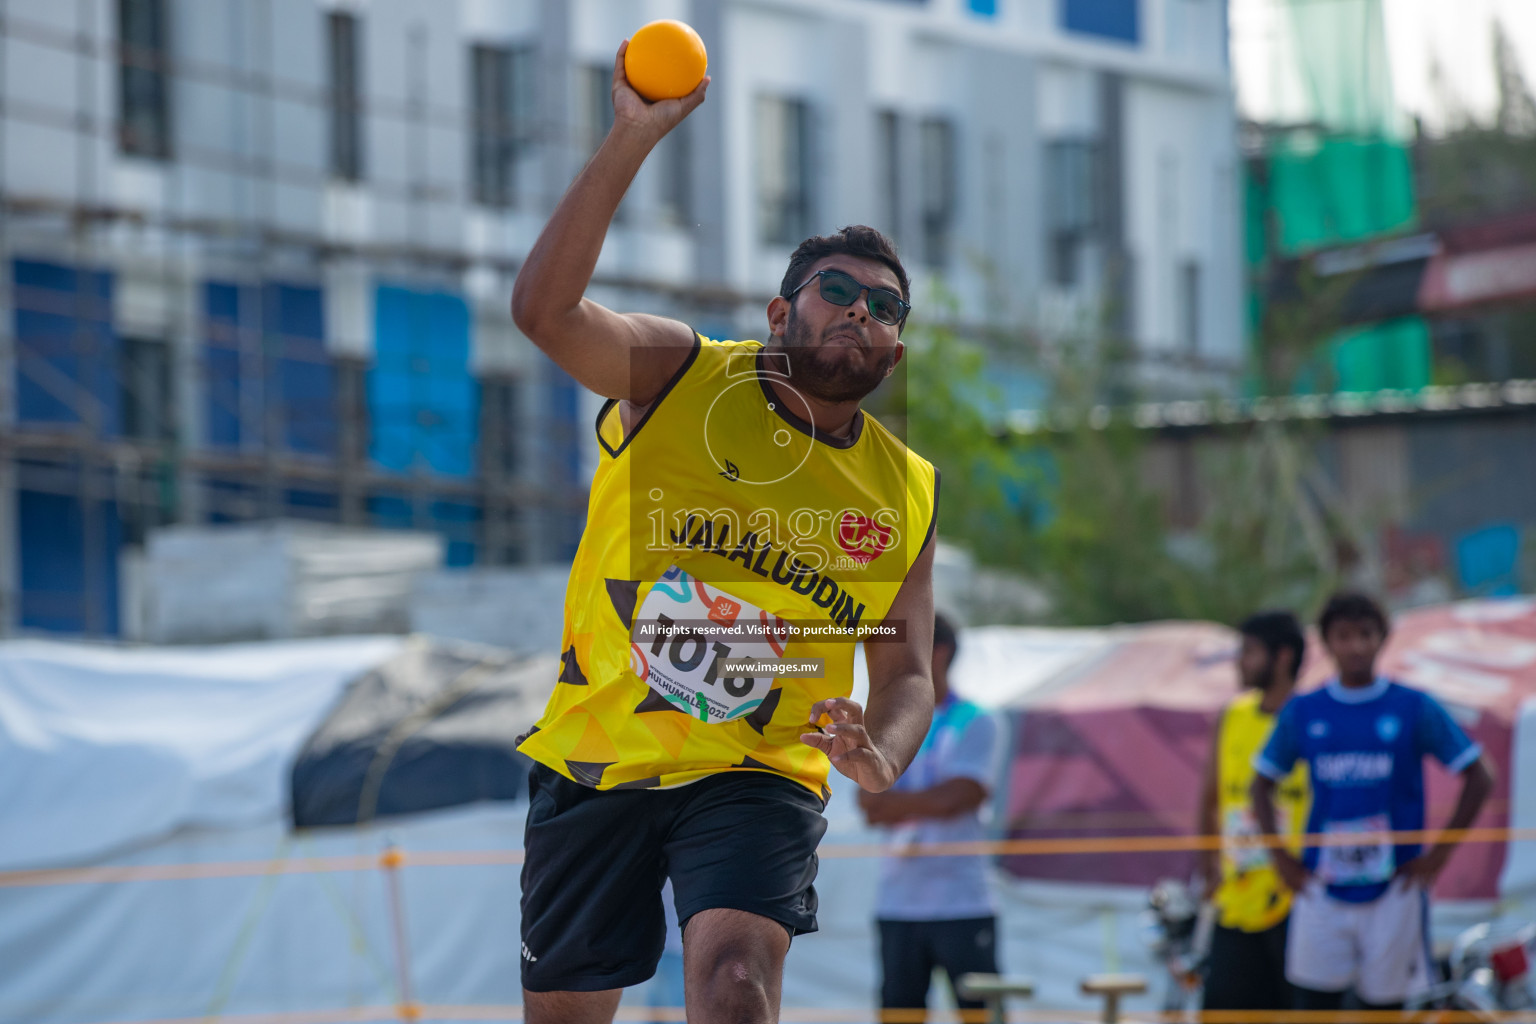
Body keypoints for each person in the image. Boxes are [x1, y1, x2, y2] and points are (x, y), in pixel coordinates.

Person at [509, 40, 940, 1024]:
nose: (860, 313)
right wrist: (631, 138)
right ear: (782, 309)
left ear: (897, 347)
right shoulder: (681, 374)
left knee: (736, 977)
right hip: (601, 748)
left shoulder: (905, 489)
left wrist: (883, 749)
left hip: (760, 768)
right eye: (839, 291)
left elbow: (906, 666)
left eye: (885, 307)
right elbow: (543, 310)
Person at [1252, 591, 1495, 1012]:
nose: (1355, 647)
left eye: (1365, 635)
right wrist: (1281, 860)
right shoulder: (1305, 711)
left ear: (1383, 638)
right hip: (1321, 887)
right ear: (1327, 643)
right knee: (1313, 1006)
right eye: (1344, 636)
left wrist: (1438, 855)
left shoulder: (1412, 706)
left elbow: (1479, 775)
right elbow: (1260, 783)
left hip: (1394, 887)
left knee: (1383, 1010)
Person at [858, 613, 1000, 1019]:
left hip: (962, 901)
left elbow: (963, 795)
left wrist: (893, 802)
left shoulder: (977, 718)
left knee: (980, 1014)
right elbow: (870, 802)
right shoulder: (886, 721)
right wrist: (919, 801)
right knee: (898, 1012)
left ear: (940, 651)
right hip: (897, 903)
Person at [1195, 610, 1310, 1012]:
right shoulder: (1233, 715)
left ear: (1282, 657)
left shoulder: (1313, 719)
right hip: (1236, 897)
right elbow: (1210, 798)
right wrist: (1208, 866)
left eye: (1249, 651)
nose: (1239, 662)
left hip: (1294, 900)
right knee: (1223, 1008)